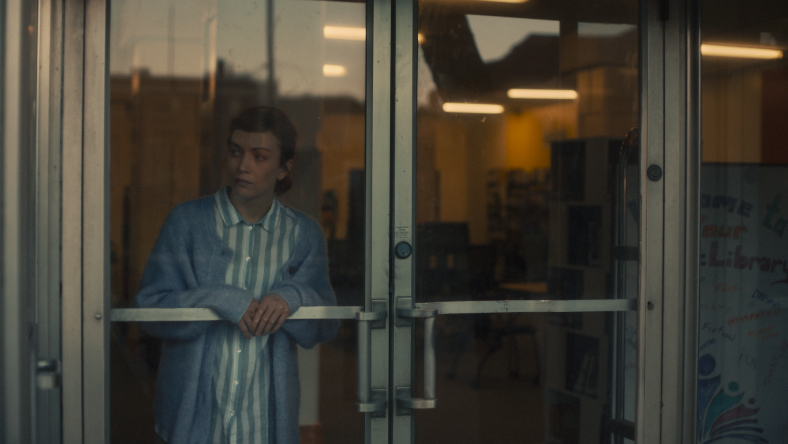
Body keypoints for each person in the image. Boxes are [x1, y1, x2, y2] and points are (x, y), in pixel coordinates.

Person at [134, 106, 338, 444]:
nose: (243, 166)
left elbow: (326, 323)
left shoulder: (304, 235)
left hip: (264, 422)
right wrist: (219, 298)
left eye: (259, 156)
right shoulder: (186, 223)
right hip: (195, 422)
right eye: (235, 152)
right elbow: (149, 311)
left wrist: (294, 296)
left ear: (284, 168)